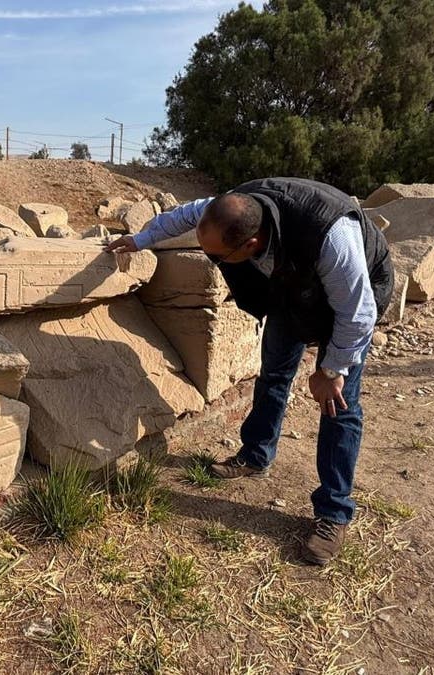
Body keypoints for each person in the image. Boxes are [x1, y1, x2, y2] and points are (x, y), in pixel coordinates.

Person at [106, 178, 393, 565]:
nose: (214, 262)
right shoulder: (231, 208)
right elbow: (184, 217)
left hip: (349, 301)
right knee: (274, 374)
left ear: (252, 245)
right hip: (292, 288)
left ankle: (333, 512)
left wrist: (332, 369)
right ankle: (255, 456)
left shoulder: (331, 237)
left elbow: (357, 315)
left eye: (220, 257)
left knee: (338, 405)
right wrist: (140, 240)